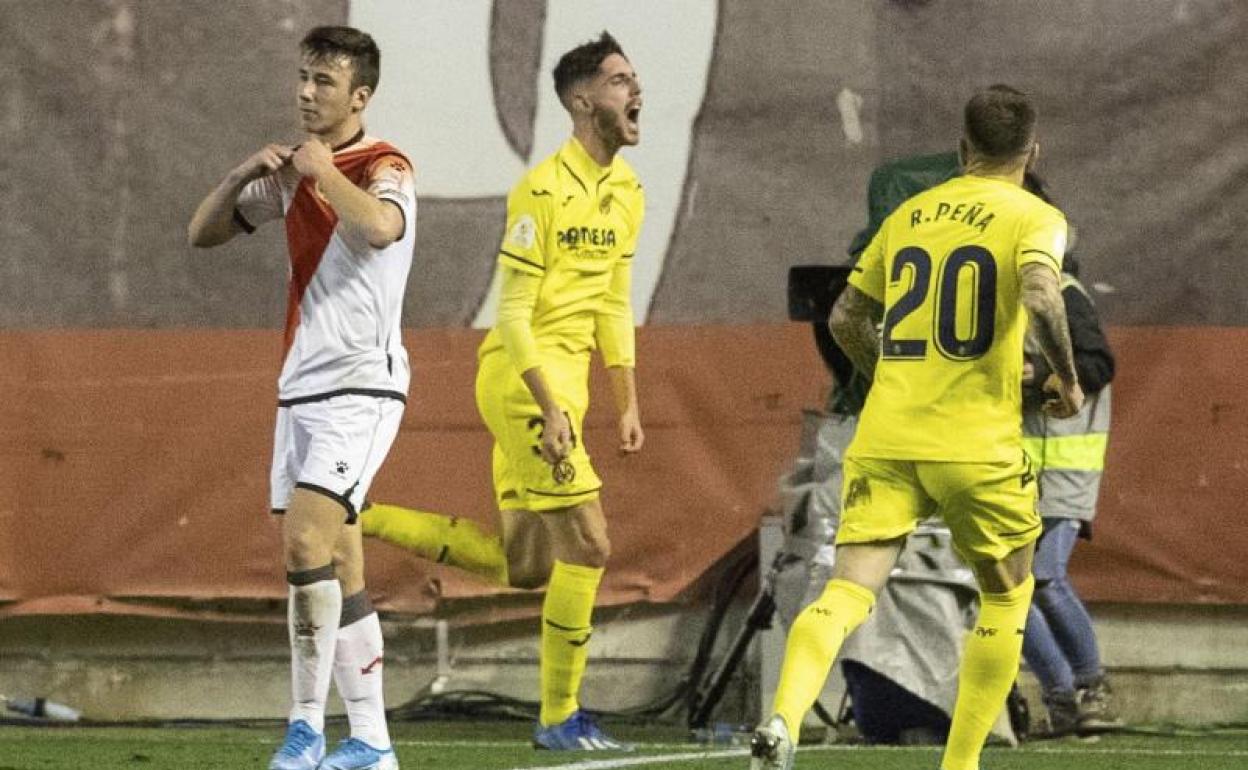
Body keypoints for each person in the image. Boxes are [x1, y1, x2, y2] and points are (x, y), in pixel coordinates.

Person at [749, 85, 1083, 770]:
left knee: (847, 588)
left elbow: (845, 316)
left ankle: (781, 722)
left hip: (888, 434)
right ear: (1032, 151)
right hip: (975, 444)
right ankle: (959, 766)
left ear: (963, 150)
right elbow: (1044, 293)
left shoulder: (910, 212)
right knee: (1007, 593)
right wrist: (1067, 379)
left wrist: (890, 376)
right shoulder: (1034, 215)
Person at [360, 31, 644, 751]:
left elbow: (612, 301)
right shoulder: (541, 189)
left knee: (527, 568)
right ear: (583, 101)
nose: (635, 91)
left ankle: (361, 518)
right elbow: (513, 313)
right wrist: (549, 407)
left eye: (633, 79)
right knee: (590, 546)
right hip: (525, 385)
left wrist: (627, 398)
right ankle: (558, 718)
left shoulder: (627, 190)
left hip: (569, 391)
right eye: (619, 81)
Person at [187, 25, 414, 770]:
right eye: (304, 77)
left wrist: (323, 174)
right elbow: (203, 235)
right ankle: (375, 745)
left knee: (304, 544)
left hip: (363, 385)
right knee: (340, 566)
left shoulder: (385, 165)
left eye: (325, 81)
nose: (308, 92)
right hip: (301, 388)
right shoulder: (287, 174)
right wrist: (238, 175)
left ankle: (306, 728)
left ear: (360, 96)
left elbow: (381, 228)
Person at [1019, 233, 1122, 736]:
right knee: (1008, 589)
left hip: (1063, 468)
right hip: (1016, 468)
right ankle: (1063, 701)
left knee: (1044, 577)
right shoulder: (1002, 293)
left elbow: (1100, 365)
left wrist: (1036, 372)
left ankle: (1091, 688)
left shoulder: (1064, 291)